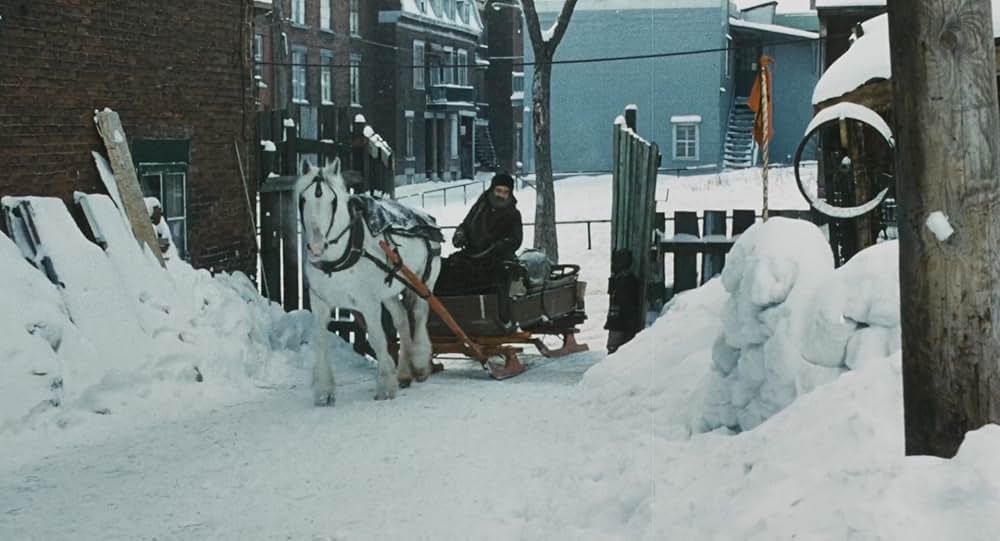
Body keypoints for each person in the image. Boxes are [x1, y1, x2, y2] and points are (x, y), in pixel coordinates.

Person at [436, 172, 523, 294]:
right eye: (498, 190)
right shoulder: (480, 207)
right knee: (444, 269)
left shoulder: (513, 214)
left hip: (495, 260)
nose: (501, 195)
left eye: (505, 192)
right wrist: (460, 234)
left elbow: (516, 240)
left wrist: (500, 246)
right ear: (492, 190)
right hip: (471, 255)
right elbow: (465, 225)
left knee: (478, 279)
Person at [604, 249, 641, 354]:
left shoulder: (626, 279)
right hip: (619, 320)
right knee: (614, 347)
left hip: (622, 320)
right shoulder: (621, 278)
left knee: (615, 347)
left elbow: (626, 301)